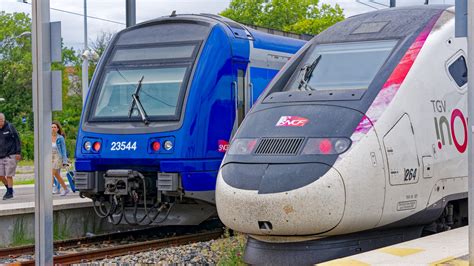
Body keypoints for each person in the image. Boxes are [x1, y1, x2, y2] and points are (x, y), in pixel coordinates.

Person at [0, 113, 21, 200]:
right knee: (1, 175)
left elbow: (17, 139)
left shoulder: (10, 127)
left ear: (3, 120)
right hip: (1, 155)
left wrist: (18, 152)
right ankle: (9, 189)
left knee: (9, 175)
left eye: (0, 120)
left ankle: (9, 192)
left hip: (11, 155)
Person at [51, 121, 69, 196]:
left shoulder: (60, 138)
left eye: (54, 127)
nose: (53, 129)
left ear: (58, 129)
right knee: (56, 175)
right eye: (51, 127)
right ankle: (66, 189)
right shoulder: (48, 137)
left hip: (58, 157)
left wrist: (65, 161)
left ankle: (49, 190)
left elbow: (64, 150)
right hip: (50, 156)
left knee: (51, 173)